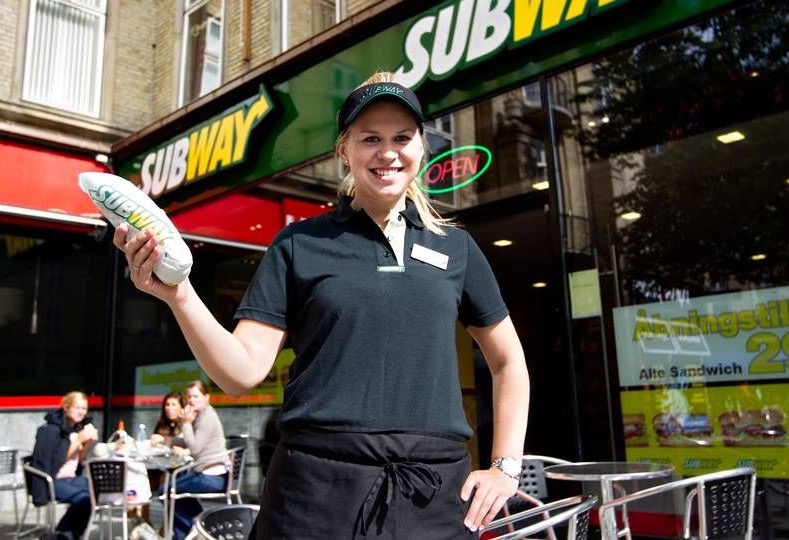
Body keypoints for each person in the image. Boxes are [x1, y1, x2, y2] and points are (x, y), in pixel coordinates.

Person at [115, 71, 530, 539]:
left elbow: (508, 361)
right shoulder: (299, 244)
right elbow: (240, 372)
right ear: (344, 151)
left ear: (421, 147)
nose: (388, 151)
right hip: (315, 491)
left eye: (402, 137)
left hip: (430, 494)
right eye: (370, 138)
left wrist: (505, 467)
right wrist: (180, 294)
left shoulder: (456, 248)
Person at [154, 380, 228, 540]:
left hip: (212, 477)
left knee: (165, 492)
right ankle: (198, 522)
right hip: (205, 473)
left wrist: (186, 423)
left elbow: (195, 449)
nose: (191, 400)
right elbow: (190, 441)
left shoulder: (207, 417)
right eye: (189, 397)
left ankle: (194, 527)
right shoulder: (200, 414)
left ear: (206, 397)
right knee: (173, 492)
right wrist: (167, 440)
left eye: (196, 396)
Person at [31, 391, 98, 540]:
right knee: (84, 499)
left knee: (99, 492)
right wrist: (78, 441)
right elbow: (53, 462)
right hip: (52, 479)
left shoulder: (76, 429)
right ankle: (65, 535)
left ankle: (63, 534)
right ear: (66, 407)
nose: (81, 412)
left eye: (84, 408)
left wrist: (88, 444)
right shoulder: (50, 430)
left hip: (71, 478)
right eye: (77, 407)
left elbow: (80, 462)